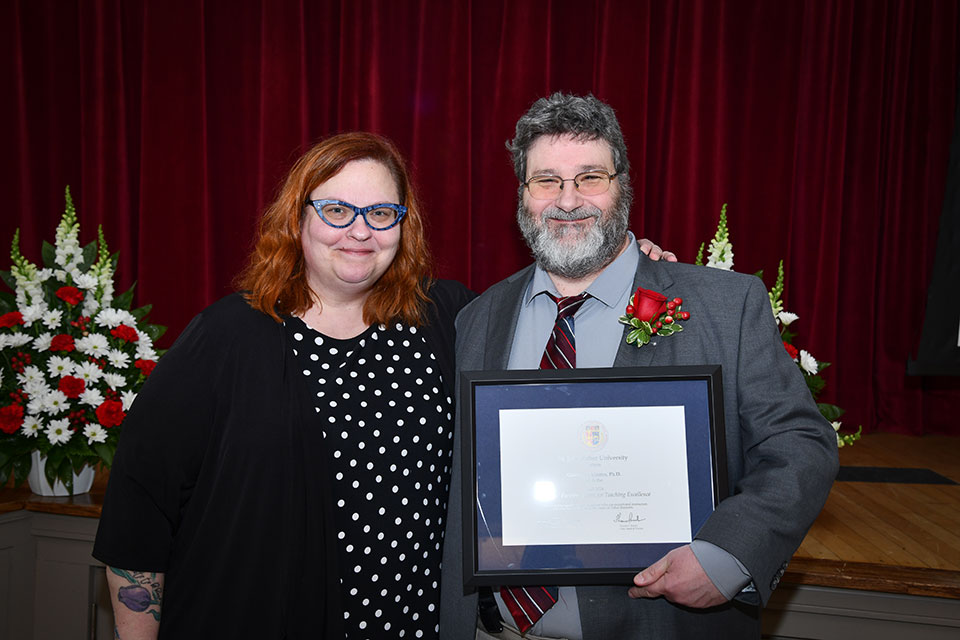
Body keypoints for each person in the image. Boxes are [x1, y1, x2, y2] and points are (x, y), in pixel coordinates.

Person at [93, 131, 673, 639]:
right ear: (297, 218)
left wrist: (630, 267)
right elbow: (138, 516)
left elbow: (536, 379)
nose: (359, 232)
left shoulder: (447, 317)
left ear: (403, 224)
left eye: (380, 214)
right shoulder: (223, 339)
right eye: (337, 210)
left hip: (416, 624)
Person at [440, 94, 839, 640]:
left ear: (622, 185)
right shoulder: (477, 318)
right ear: (522, 195)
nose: (568, 200)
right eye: (546, 181)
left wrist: (727, 555)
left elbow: (800, 444)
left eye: (590, 177)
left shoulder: (726, 306)